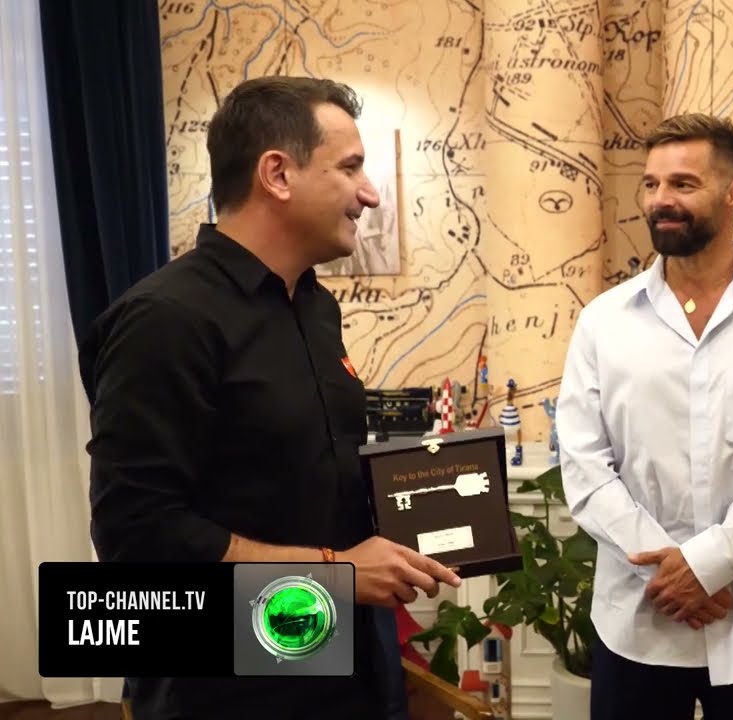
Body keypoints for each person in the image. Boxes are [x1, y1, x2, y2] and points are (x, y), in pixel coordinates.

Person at [78, 76, 461, 719]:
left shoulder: (315, 306)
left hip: (344, 663)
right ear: (277, 175)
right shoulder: (166, 320)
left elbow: (311, 476)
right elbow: (136, 533)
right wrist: (334, 574)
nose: (369, 193)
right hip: (229, 686)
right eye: (350, 168)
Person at [557, 113, 733, 720]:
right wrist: (672, 573)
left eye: (683, 184)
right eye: (651, 184)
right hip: (637, 618)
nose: (661, 200)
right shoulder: (603, 322)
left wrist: (709, 565)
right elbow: (584, 464)